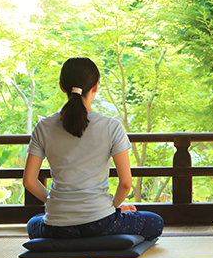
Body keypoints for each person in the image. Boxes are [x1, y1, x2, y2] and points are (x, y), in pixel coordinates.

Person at [23, 57, 163, 240]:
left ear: (62, 86)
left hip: (57, 227)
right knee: (155, 221)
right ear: (96, 86)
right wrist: (113, 207)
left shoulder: (43, 127)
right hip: (100, 223)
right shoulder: (111, 126)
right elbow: (126, 183)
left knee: (34, 222)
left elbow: (29, 181)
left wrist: (55, 203)